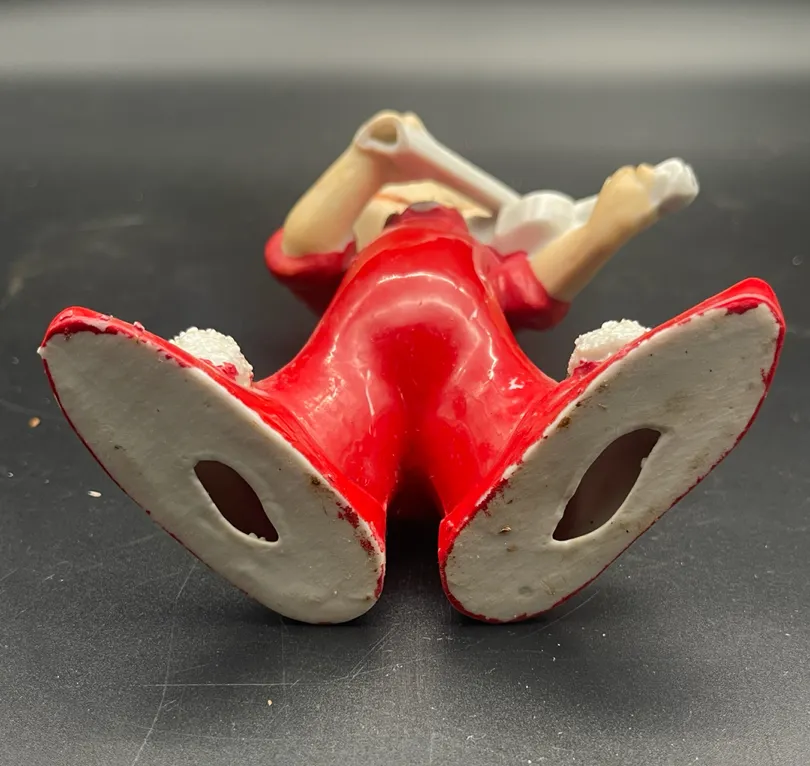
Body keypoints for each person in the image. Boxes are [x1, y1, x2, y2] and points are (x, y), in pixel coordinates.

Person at [39, 112, 784, 623]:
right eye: (393, 199)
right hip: (352, 394)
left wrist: (614, 220)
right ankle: (280, 469)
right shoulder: (353, 261)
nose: (422, 202)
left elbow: (541, 281)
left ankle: (555, 463)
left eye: (446, 201)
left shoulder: (487, 261)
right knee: (313, 423)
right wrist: (368, 157)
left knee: (515, 426)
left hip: (477, 395)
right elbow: (300, 241)